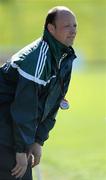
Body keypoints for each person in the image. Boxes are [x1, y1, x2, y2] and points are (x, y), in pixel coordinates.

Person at [0, 6, 77, 180]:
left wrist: (38, 140)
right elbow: (25, 108)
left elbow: (55, 100)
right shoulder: (37, 59)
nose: (73, 31)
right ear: (51, 28)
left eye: (74, 25)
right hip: (5, 127)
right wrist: (20, 149)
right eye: (67, 26)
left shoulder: (65, 57)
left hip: (12, 126)